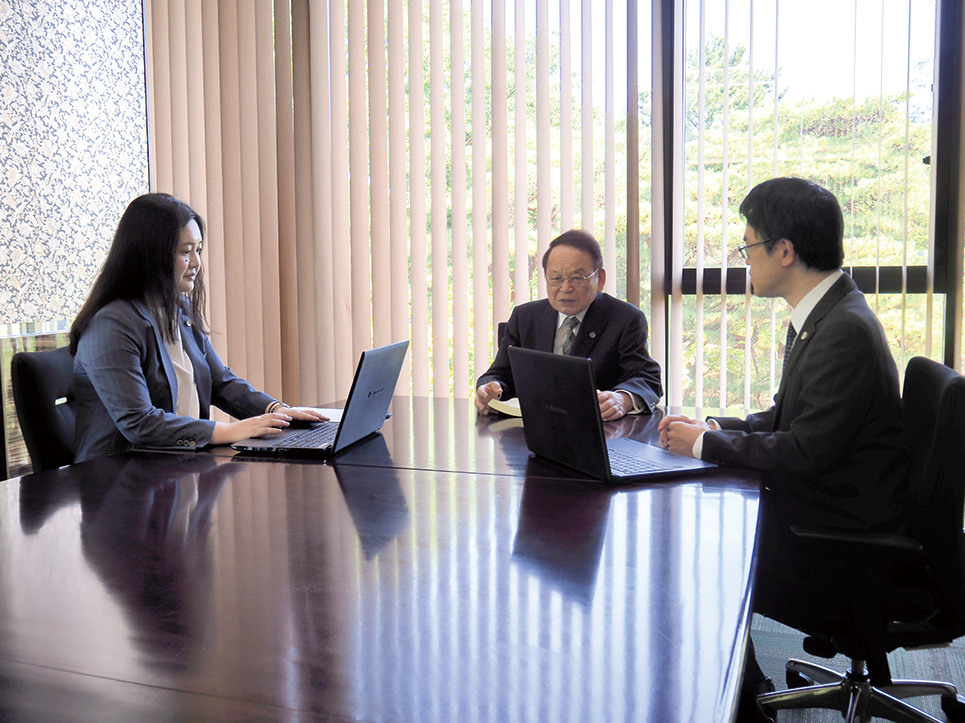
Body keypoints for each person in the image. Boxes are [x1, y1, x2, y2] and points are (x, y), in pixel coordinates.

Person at [658, 177, 909, 722]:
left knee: (700, 557)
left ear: (785, 251)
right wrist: (712, 427)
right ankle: (750, 691)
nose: (745, 259)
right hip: (832, 514)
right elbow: (786, 416)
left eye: (748, 246)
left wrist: (706, 444)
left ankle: (744, 705)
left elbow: (805, 451)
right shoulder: (828, 313)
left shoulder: (843, 330)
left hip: (841, 542)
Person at [69, 193, 327, 463]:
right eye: (185, 252)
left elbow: (219, 382)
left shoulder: (179, 307)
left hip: (179, 465)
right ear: (150, 255)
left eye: (198, 250)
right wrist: (229, 430)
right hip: (118, 475)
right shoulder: (110, 324)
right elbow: (139, 422)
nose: (196, 263)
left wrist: (277, 411)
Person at [475, 229, 663, 420]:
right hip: (532, 428)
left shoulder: (625, 319)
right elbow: (499, 374)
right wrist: (489, 387)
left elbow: (647, 378)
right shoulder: (524, 318)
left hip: (598, 429)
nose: (565, 288)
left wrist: (623, 399)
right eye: (556, 278)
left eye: (577, 278)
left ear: (600, 279)